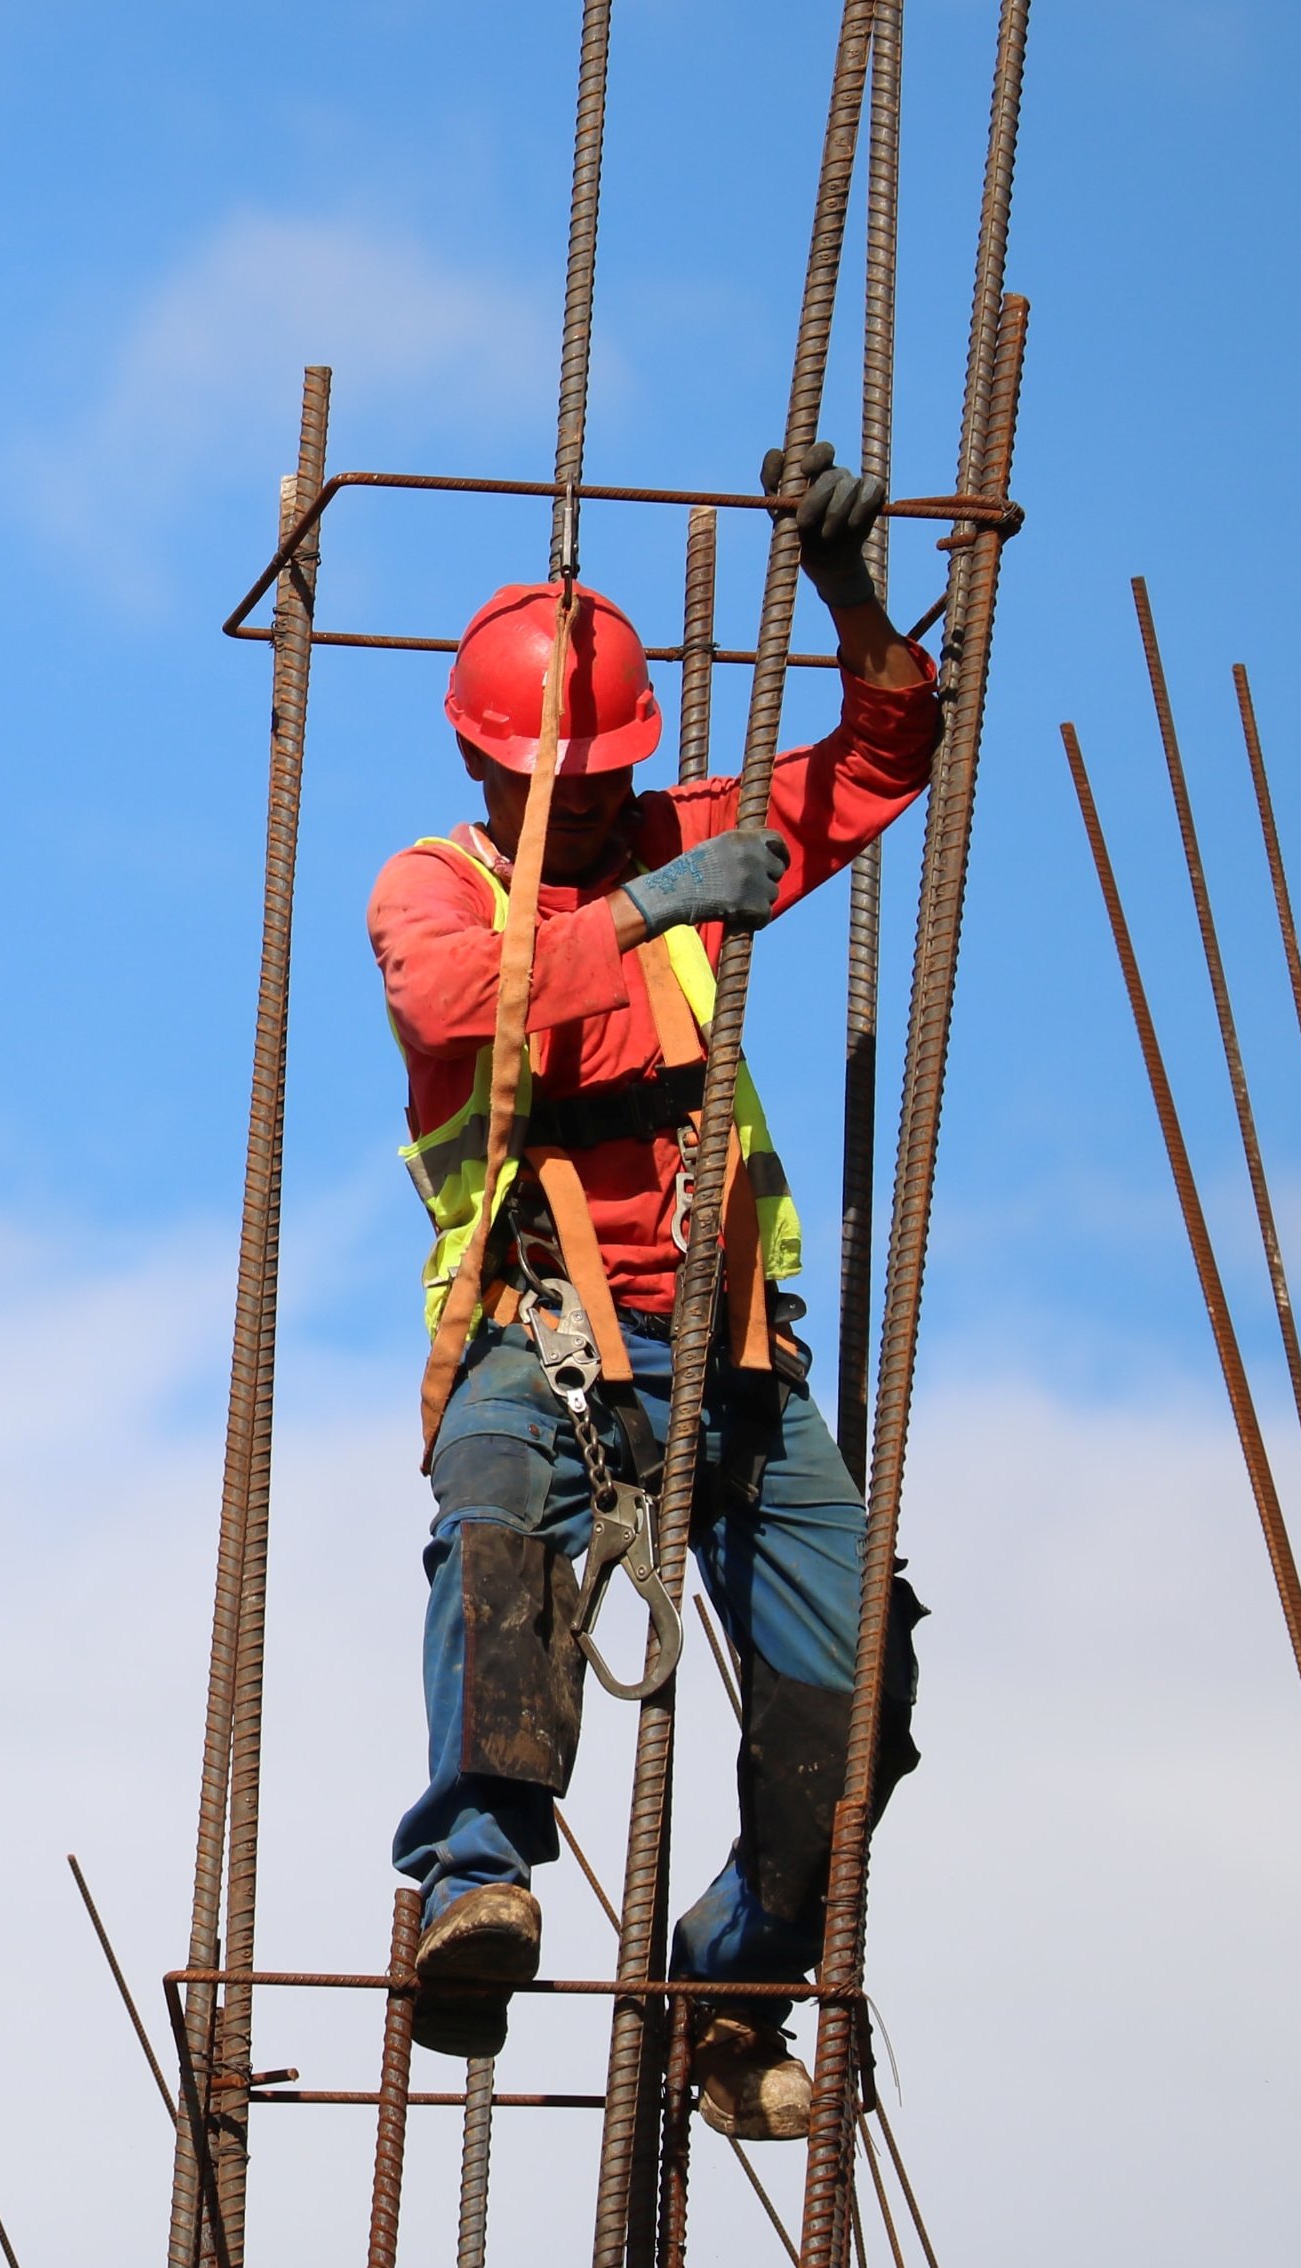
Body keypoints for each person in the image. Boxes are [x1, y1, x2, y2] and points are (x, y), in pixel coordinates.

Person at [365, 450, 935, 2140]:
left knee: (854, 1723)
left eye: (617, 776)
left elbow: (877, 762)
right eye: (574, 781)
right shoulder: (434, 888)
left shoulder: (682, 837)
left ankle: (725, 1982)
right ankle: (478, 1877)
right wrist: (640, 905)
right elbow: (456, 1004)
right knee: (494, 1531)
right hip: (534, 1332)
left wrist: (851, 607)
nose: (608, 803)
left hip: (731, 1354)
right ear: (486, 759)